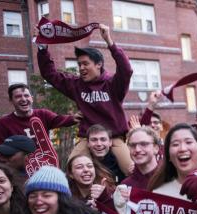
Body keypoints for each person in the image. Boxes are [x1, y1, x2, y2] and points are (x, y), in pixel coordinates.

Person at [36, 24, 133, 175]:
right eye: (79, 64)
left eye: (85, 64)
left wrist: (109, 41)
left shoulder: (113, 84)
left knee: (131, 170)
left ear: (99, 64)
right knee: (72, 169)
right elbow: (50, 74)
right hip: (87, 139)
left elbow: (126, 69)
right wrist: (42, 46)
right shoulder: (75, 85)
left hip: (114, 138)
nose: (81, 68)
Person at [0, 83, 78, 150]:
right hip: (20, 170)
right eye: (18, 96)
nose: (23, 99)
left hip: (46, 165)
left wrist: (78, 116)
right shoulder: (3, 124)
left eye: (26, 95)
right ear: (11, 101)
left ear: (31, 98)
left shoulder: (43, 114)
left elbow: (61, 120)